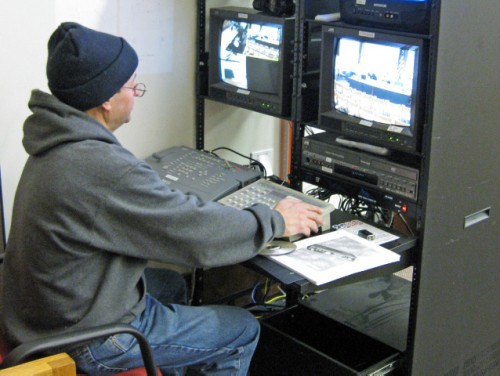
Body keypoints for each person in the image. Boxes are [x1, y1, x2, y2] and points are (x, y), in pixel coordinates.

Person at [0, 22, 324, 375]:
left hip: (37, 317)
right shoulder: (102, 166)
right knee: (242, 329)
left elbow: (160, 215)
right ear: (106, 98)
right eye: (132, 85)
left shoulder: (53, 140)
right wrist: (274, 220)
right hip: (85, 341)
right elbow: (192, 232)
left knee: (170, 283)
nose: (136, 93)